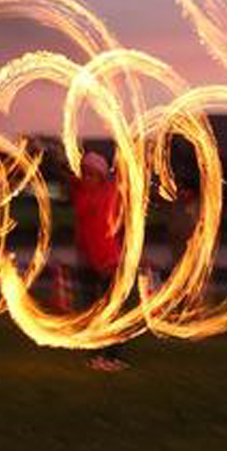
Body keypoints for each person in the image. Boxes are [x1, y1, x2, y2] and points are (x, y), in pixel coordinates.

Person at [65, 150, 127, 372]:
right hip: (87, 262)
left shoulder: (108, 194)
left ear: (102, 177)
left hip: (108, 261)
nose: (86, 178)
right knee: (91, 310)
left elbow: (102, 235)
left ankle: (113, 356)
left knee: (111, 311)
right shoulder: (80, 193)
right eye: (85, 173)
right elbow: (67, 173)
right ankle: (96, 353)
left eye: (92, 174)